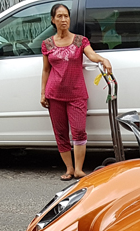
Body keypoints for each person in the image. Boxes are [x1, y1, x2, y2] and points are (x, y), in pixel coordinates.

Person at [40, 3, 112, 181]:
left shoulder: (80, 40)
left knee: (79, 131)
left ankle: (79, 169)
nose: (63, 20)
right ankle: (69, 169)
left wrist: (103, 59)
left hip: (77, 94)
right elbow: (46, 70)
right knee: (61, 132)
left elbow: (92, 55)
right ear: (53, 19)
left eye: (66, 16)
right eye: (59, 16)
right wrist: (42, 93)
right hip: (54, 94)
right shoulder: (47, 44)